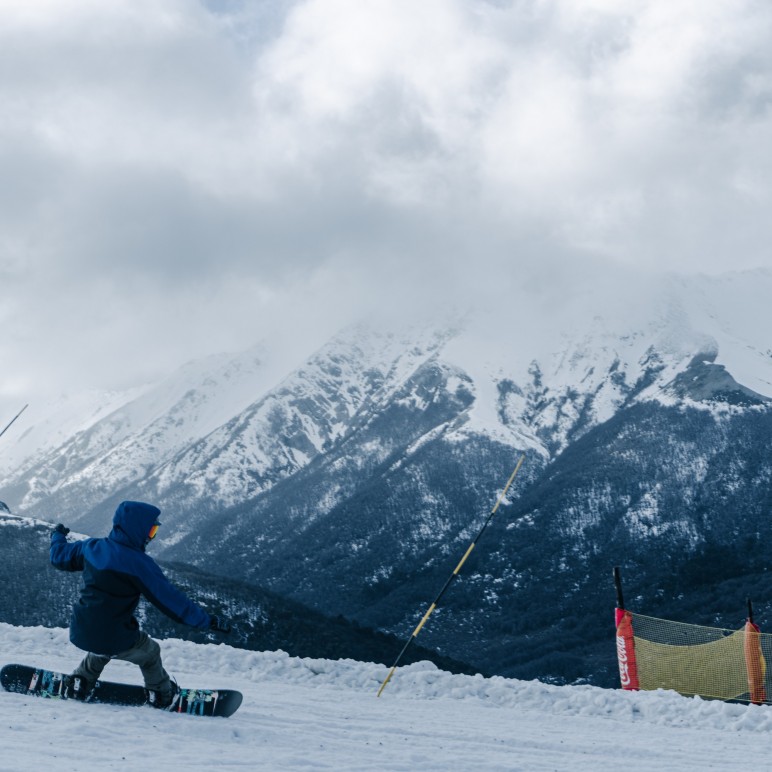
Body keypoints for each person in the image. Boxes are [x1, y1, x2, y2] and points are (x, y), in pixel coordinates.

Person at [50, 500, 231, 707]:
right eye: (151, 530)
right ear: (137, 529)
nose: (151, 536)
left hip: (80, 629)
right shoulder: (139, 564)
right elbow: (173, 602)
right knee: (150, 652)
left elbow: (58, 556)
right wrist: (208, 621)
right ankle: (160, 694)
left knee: (102, 643)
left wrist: (57, 535)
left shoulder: (92, 547)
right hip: (114, 636)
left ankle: (81, 681)